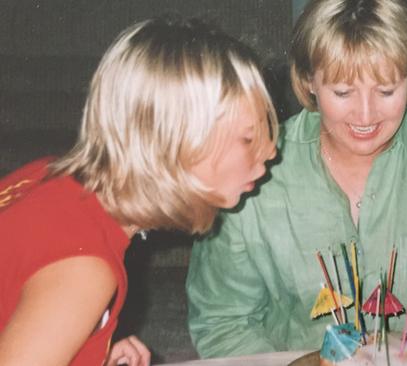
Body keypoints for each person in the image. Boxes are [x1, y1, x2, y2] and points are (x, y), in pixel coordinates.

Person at [186, 0, 407, 358]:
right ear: (308, 80)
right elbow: (223, 322)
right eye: (342, 92)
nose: (366, 114)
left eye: (386, 91)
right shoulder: (250, 178)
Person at [0, 17, 278, 366]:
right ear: (171, 146)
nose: (270, 151)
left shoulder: (49, 176)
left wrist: (89, 348)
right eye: (248, 138)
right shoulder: (84, 272)